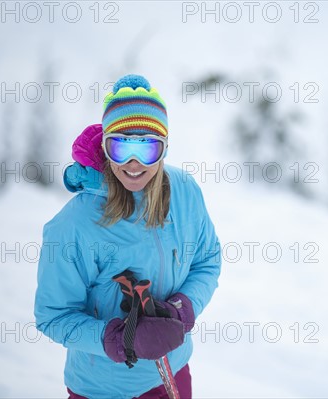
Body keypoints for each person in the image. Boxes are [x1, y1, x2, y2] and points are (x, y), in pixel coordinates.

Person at [34, 75, 221, 399]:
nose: (133, 164)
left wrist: (182, 308)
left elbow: (207, 260)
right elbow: (53, 316)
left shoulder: (185, 192)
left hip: (173, 373)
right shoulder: (74, 226)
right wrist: (120, 339)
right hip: (104, 389)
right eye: (121, 147)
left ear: (164, 149)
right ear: (106, 147)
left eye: (147, 148)